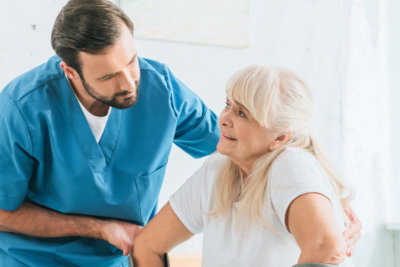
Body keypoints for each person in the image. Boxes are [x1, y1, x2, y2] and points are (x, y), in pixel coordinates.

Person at [0, 0, 220, 266]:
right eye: (107, 77)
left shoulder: (162, 89)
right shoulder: (23, 107)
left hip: (120, 257)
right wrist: (100, 229)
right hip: (35, 259)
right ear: (70, 72)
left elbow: (230, 146)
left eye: (131, 61)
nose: (129, 84)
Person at [133, 66, 358, 267]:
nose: (223, 119)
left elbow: (326, 249)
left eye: (242, 114)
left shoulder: (290, 165)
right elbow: (147, 245)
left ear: (280, 138)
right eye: (228, 105)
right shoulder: (216, 169)